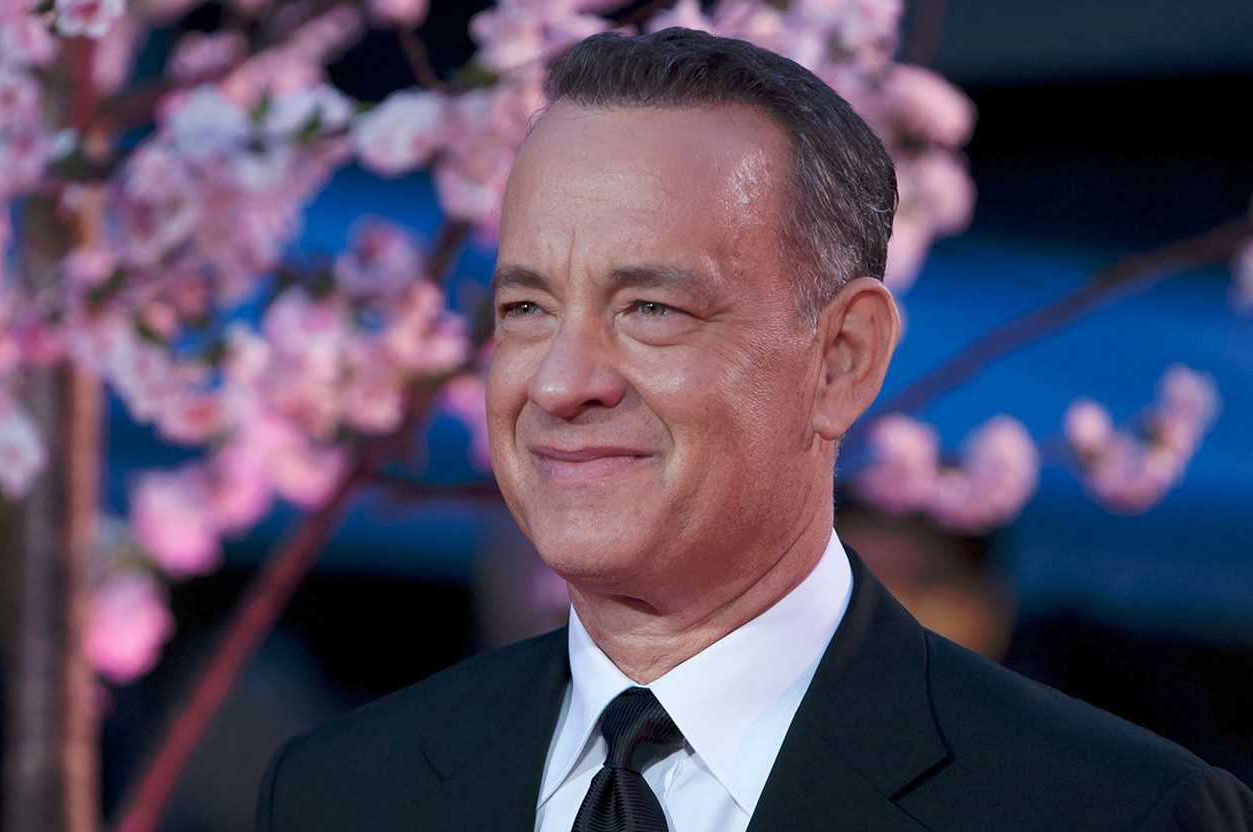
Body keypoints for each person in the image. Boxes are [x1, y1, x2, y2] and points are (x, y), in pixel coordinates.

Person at [257, 28, 1253, 831]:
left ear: (842, 358)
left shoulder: (1105, 814)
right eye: (525, 309)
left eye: (651, 308)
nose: (561, 382)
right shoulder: (341, 796)